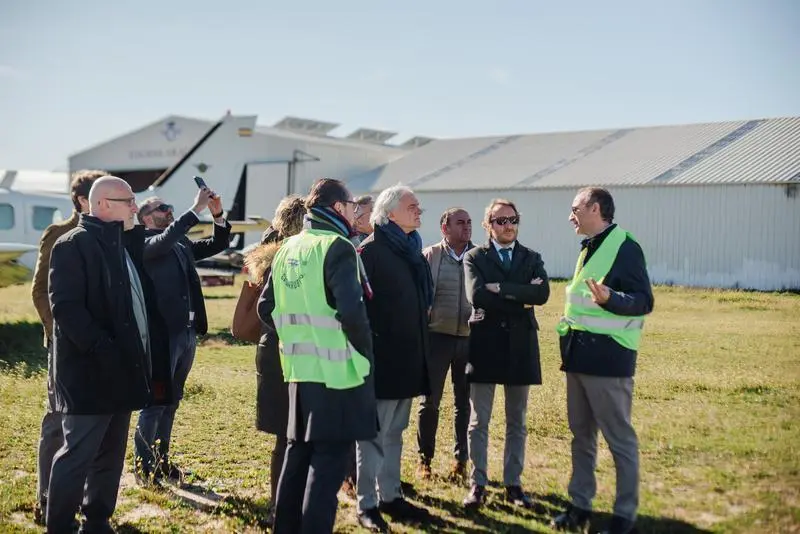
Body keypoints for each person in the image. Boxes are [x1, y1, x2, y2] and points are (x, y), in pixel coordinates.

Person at [46, 176, 171, 533]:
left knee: (111, 456)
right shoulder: (72, 244)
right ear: (102, 204)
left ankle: (97, 520)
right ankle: (60, 525)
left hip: (123, 371)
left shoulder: (121, 244)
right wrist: (103, 349)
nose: (135, 207)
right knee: (77, 455)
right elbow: (66, 309)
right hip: (89, 375)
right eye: (127, 201)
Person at [258, 178, 377, 534]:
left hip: (298, 370)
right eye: (353, 206)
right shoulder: (337, 246)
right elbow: (352, 314)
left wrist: (298, 335)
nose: (356, 212)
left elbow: (266, 307)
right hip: (337, 373)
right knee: (327, 467)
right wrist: (366, 359)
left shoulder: (288, 246)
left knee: (297, 456)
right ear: (339, 207)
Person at [552, 187, 654, 534]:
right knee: (581, 436)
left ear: (595, 208)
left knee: (619, 440)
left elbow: (643, 301)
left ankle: (624, 517)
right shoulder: (589, 246)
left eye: (575, 209)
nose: (571, 216)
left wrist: (612, 298)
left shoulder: (625, 246)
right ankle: (579, 506)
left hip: (609, 360)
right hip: (579, 358)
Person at [132, 189, 232, 484]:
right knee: (155, 404)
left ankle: (162, 462)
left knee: (171, 401)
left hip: (185, 334)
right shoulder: (143, 242)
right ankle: (144, 467)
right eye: (162, 207)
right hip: (161, 339)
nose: (169, 210)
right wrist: (195, 208)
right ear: (145, 217)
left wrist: (217, 214)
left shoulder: (179, 243)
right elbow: (164, 241)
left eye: (170, 206)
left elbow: (218, 244)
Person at [462, 198, 550, 511]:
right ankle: (478, 484)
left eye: (513, 219)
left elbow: (542, 293)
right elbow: (477, 295)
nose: (508, 225)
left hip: (520, 346)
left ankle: (513, 485)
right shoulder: (474, 257)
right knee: (479, 421)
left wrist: (502, 288)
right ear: (489, 225)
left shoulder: (531, 257)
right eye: (501, 221)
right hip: (485, 346)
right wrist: (521, 296)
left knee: (517, 421)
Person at [29, 169, 106, 525]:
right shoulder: (59, 233)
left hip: (99, 345)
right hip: (65, 347)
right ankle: (47, 499)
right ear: (81, 200)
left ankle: (82, 498)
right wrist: (59, 336)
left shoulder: (110, 234)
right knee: (58, 422)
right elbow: (40, 291)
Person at [356, 184, 432, 532]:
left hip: (409, 356)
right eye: (412, 206)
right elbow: (358, 308)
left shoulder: (411, 250)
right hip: (382, 359)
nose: (418, 211)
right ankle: (366, 503)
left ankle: (390, 495)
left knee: (396, 431)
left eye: (418, 206)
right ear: (389, 213)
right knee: (374, 434)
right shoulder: (370, 252)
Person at [243, 194, 306, 524]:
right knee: (289, 434)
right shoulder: (288, 255)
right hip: (285, 349)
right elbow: (271, 305)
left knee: (287, 435)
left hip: (272, 348)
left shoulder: (268, 250)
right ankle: (281, 507)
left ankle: (282, 505)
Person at [416, 208, 474, 482]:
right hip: (436, 339)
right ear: (445, 228)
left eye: (469, 222)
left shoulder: (479, 257)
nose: (467, 227)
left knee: (465, 404)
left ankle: (460, 461)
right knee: (429, 403)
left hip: (469, 340)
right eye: (460, 223)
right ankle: (424, 460)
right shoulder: (430, 256)